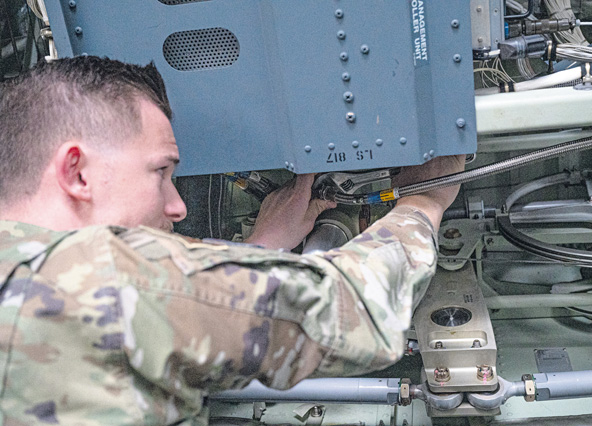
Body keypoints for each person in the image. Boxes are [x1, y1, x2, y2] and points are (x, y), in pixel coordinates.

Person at [0, 56, 464, 425]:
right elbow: (354, 308)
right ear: (76, 172)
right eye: (161, 172)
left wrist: (259, 250)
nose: (177, 206)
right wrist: (424, 201)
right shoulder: (100, 274)